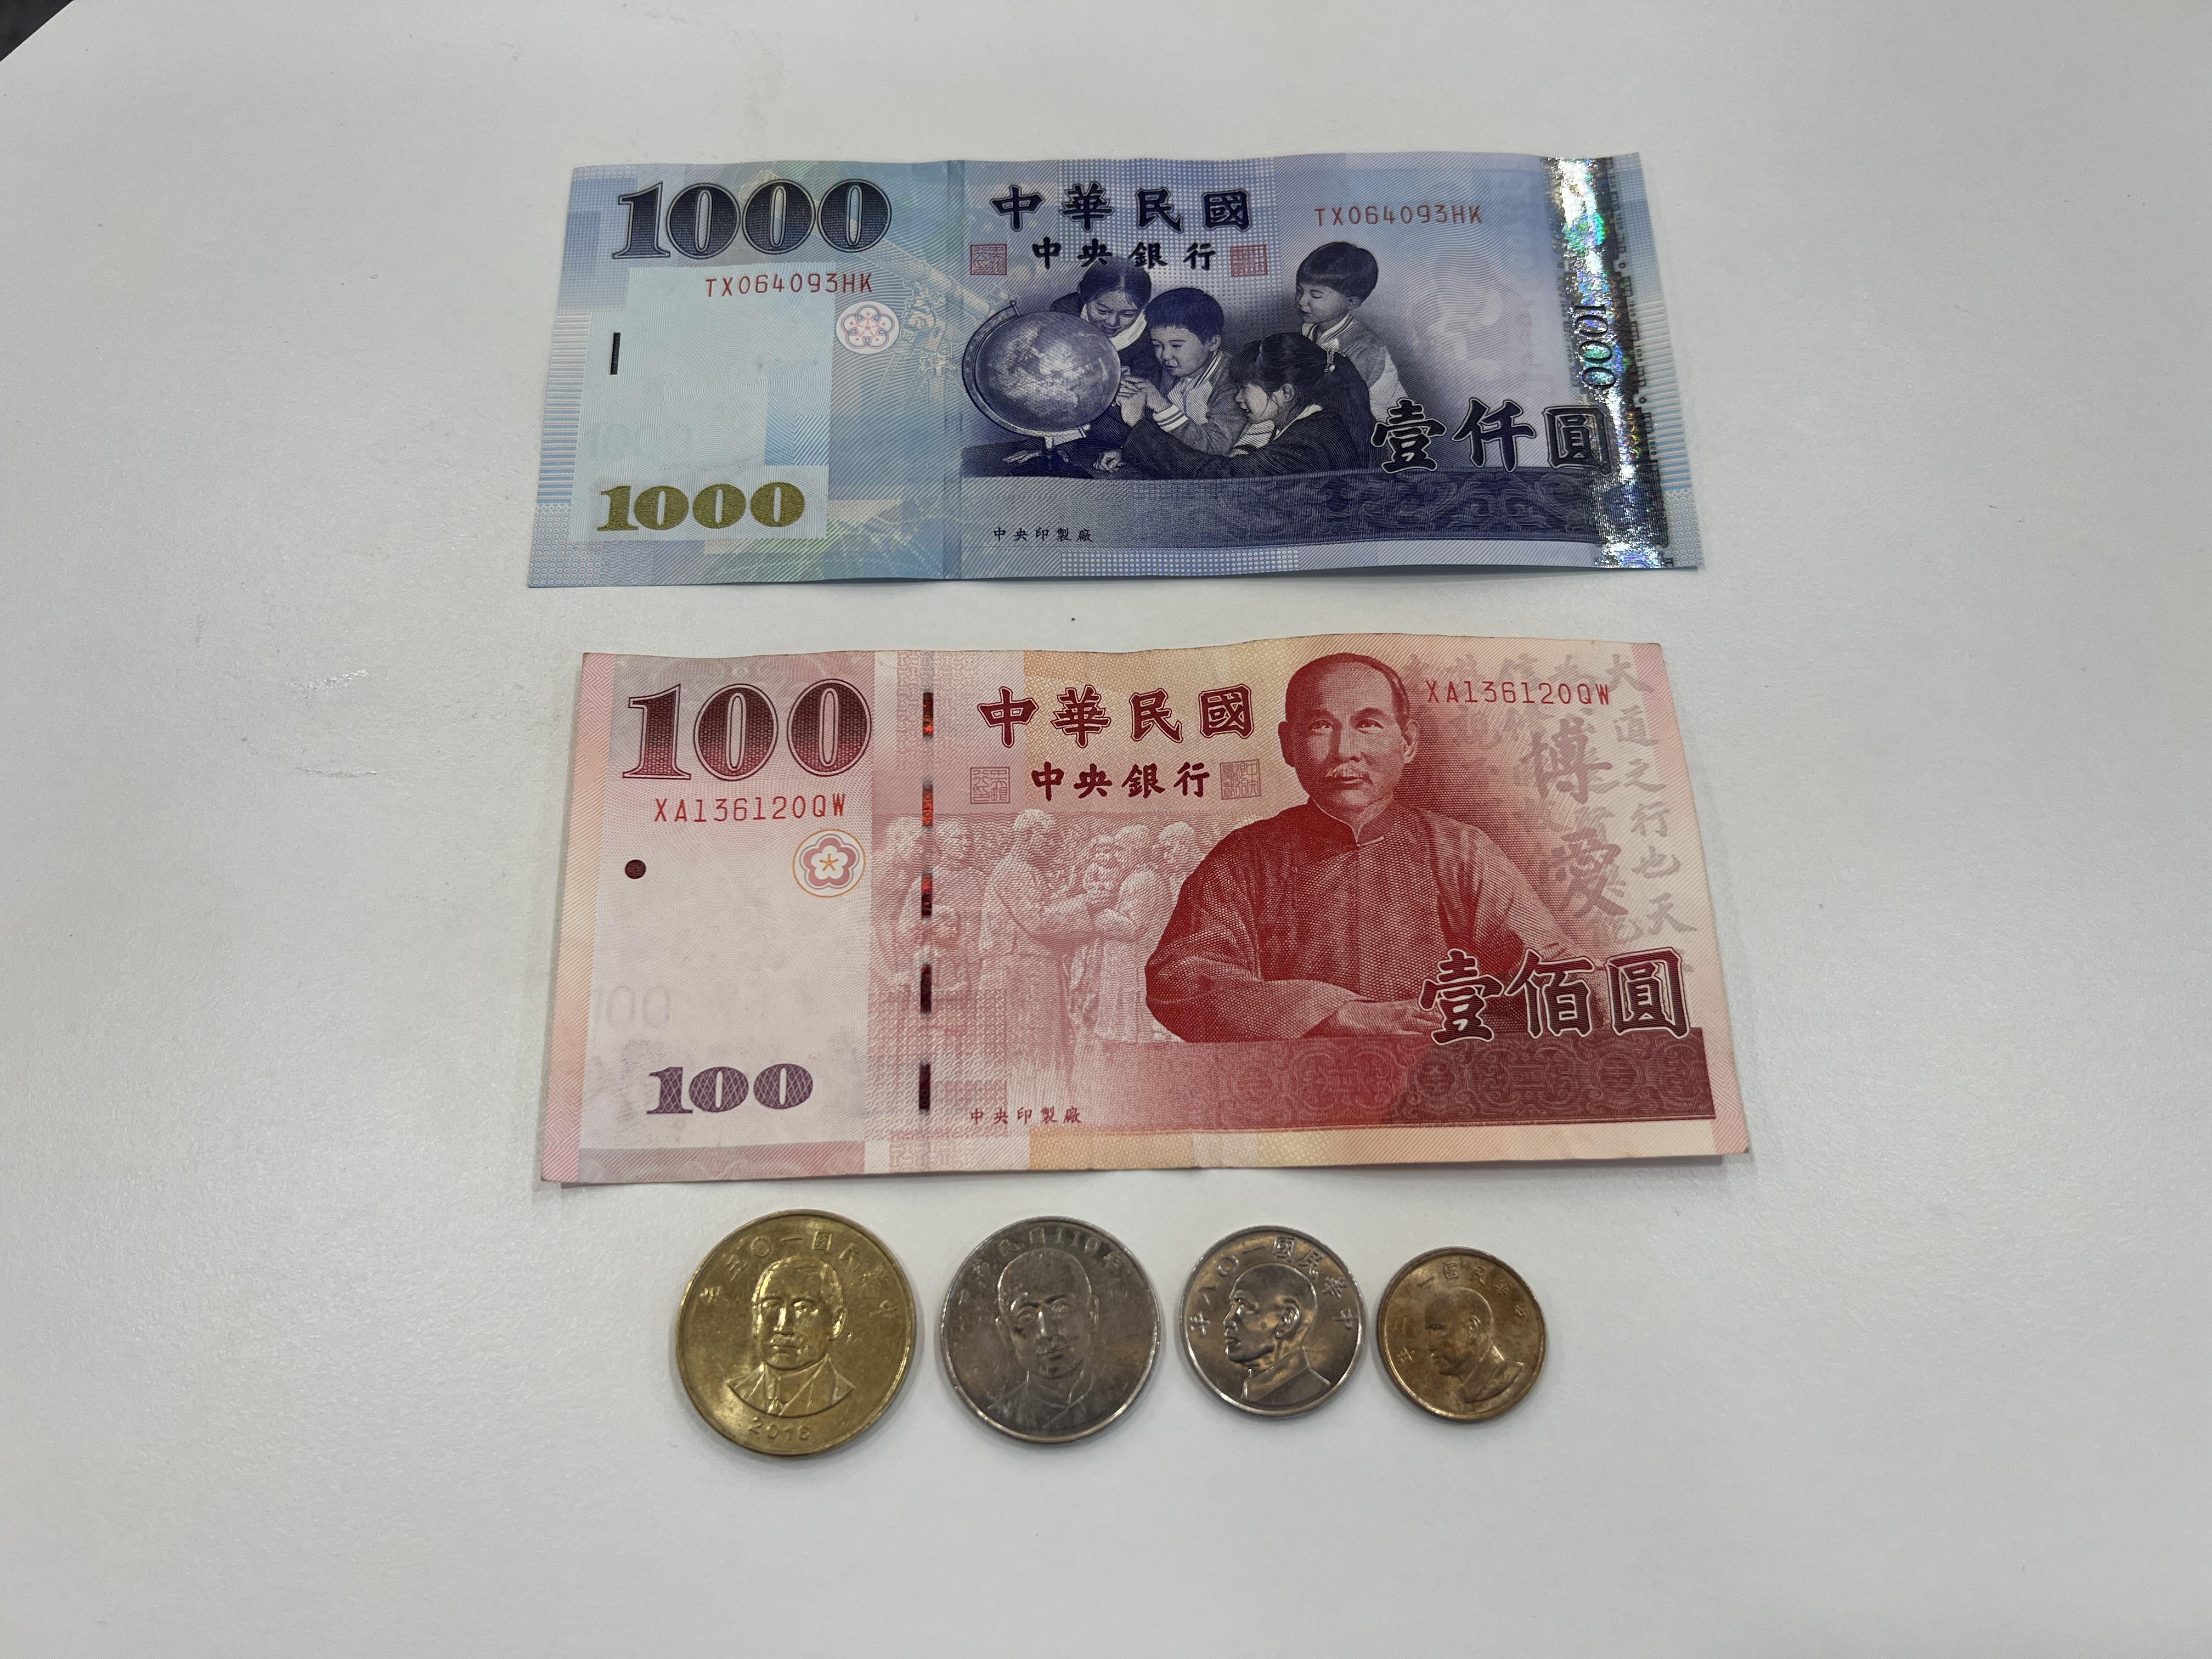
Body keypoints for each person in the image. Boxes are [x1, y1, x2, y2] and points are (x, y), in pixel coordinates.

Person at [1146, 652, 1581, 1041]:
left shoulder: (1460, 851)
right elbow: (1180, 979)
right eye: (1320, 727)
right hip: (1292, 1087)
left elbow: (1559, 969)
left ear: (1407, 743)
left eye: (1368, 724)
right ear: (1288, 745)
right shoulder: (1245, 858)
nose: (1345, 751)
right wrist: (1333, 1014)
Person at [1118, 334, 1364, 479]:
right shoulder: (1301, 422)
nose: (1237, 399)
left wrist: (1138, 425)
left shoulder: (1309, 442)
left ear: (1285, 392)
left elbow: (1222, 478)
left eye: (1245, 388)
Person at [978, 810, 1093, 1112]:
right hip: (1022, 969)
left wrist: (1074, 898)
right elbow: (1039, 921)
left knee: (1039, 1042)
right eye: (1049, 837)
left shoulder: (1027, 870)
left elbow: (1044, 911)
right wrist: (1087, 903)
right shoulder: (1015, 870)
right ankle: (1036, 1108)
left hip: (1028, 966)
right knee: (1035, 1043)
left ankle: (1039, 1107)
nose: (1054, 844)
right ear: (1027, 836)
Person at [1113, 286, 1243, 454]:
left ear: (1212, 343)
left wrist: (1161, 405)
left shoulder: (1234, 381)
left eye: (1176, 346)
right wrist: (1128, 453)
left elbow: (1216, 447)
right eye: (1157, 345)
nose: (1165, 355)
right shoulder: (1169, 371)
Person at [989, 1247, 1101, 1436]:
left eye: (1060, 1308)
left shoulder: (1113, 1391)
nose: (1046, 1333)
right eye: (1026, 1316)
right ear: (1005, 1333)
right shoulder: (1002, 1413)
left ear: (1091, 1314)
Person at [730, 1255, 856, 1418]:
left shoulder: (846, 1397)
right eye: (772, 1305)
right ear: (755, 1318)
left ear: (836, 1322)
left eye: (803, 1308)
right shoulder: (735, 1393)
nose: (783, 1327)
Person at [1295, 240, 1405, 424]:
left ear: (1352, 302)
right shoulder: (1308, 330)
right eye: (1300, 291)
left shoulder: (1366, 348)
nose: (1302, 301)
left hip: (1376, 426)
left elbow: (1346, 405)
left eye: (1316, 295)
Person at [1222, 1262, 1329, 1408]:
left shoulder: (1312, 1392)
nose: (1228, 1321)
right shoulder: (1251, 1393)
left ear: (1286, 1321)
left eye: (1243, 1305)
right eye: (1232, 1307)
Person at [1421, 1284, 1526, 1411]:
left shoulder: (1511, 1377)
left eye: (1438, 1329)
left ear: (1472, 1329)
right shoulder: (1471, 1392)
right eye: (1430, 1332)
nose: (1430, 1346)